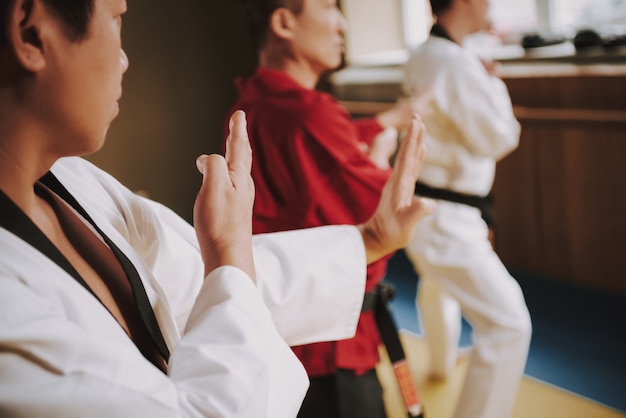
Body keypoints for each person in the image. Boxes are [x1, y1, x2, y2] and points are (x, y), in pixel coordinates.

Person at [0, 0, 438, 417]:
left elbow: (196, 275)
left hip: (284, 340)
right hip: (319, 354)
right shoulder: (11, 304)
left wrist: (369, 238)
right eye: (116, 18)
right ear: (30, 32)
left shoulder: (73, 179)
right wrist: (230, 247)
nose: (125, 58)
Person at [229, 1, 432, 417]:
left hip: (282, 337)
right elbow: (381, 217)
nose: (341, 24)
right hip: (330, 346)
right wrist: (378, 158)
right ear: (284, 22)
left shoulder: (252, 102)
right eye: (327, 8)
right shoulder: (309, 113)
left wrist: (385, 122)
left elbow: (322, 151)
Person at [401, 0, 533, 417]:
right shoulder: (456, 63)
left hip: (425, 208)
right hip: (447, 217)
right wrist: (494, 83)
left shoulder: (423, 53)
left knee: (437, 284)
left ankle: (441, 361)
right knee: (509, 324)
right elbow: (499, 137)